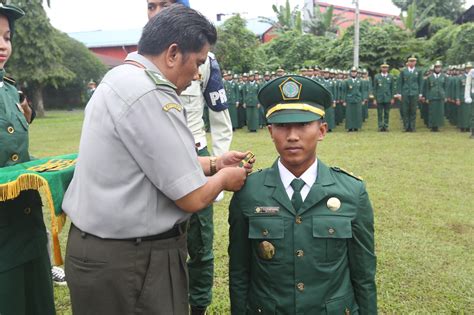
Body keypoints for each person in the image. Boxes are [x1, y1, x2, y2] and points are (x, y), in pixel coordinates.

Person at [63, 6, 252, 315]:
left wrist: (216, 162)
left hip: (104, 253)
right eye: (198, 63)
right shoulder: (150, 94)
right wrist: (224, 180)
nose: (195, 76)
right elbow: (190, 197)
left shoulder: (120, 78)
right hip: (131, 262)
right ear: (173, 53)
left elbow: (155, 165)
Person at [229, 75, 377, 314]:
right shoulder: (248, 191)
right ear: (270, 131)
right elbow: (239, 271)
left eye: (303, 124)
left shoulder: (352, 192)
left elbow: (364, 275)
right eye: (282, 126)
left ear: (322, 130)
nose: (292, 136)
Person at [146, 2, 234, 314]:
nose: (155, 11)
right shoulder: (141, 60)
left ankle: (198, 306)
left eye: (163, 4)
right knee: (157, 240)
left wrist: (220, 165)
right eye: (150, 5)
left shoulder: (205, 59)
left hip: (196, 153)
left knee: (199, 244)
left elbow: (220, 115)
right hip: (153, 157)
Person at [0, 4, 56, 315]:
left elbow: (17, 154)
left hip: (29, 228)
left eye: (7, 37)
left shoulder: (11, 93)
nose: (2, 45)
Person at [397, 55, 423, 132]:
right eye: (410, 61)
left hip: (414, 93)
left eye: (413, 61)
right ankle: (406, 127)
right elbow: (400, 83)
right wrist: (399, 93)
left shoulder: (418, 71)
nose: (412, 63)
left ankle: (412, 127)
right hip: (405, 93)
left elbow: (420, 83)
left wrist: (420, 93)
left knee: (413, 110)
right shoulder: (403, 71)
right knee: (405, 110)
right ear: (408, 62)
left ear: (415, 62)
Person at [424, 61, 447, 132]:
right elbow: (427, 88)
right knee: (432, 112)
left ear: (441, 68)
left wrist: (445, 96)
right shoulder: (429, 77)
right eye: (436, 67)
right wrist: (427, 97)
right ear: (434, 68)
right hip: (432, 96)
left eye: (439, 67)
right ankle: (432, 126)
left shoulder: (444, 77)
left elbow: (446, 87)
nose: (438, 69)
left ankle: (438, 126)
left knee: (439, 112)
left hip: (441, 96)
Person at [373, 63, 395, 131]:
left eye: (386, 68)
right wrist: (374, 99)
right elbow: (375, 88)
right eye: (383, 68)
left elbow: (392, 88)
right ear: (381, 68)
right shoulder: (377, 76)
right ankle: (380, 126)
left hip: (387, 97)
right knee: (379, 113)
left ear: (388, 69)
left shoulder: (390, 77)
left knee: (387, 112)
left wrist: (392, 98)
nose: (384, 69)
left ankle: (386, 126)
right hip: (379, 98)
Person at [343, 66, 364, 131]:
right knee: (349, 114)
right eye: (352, 72)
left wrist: (362, 99)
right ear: (350, 73)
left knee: (357, 113)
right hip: (349, 99)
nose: (353, 73)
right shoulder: (347, 81)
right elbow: (344, 91)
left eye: (355, 72)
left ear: (357, 73)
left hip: (358, 99)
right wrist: (344, 100)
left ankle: (356, 127)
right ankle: (349, 127)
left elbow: (362, 91)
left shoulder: (360, 81)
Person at [465, 63, 474, 138]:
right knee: (472, 114)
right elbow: (468, 84)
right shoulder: (472, 72)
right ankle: (473, 132)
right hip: (473, 94)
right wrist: (467, 96)